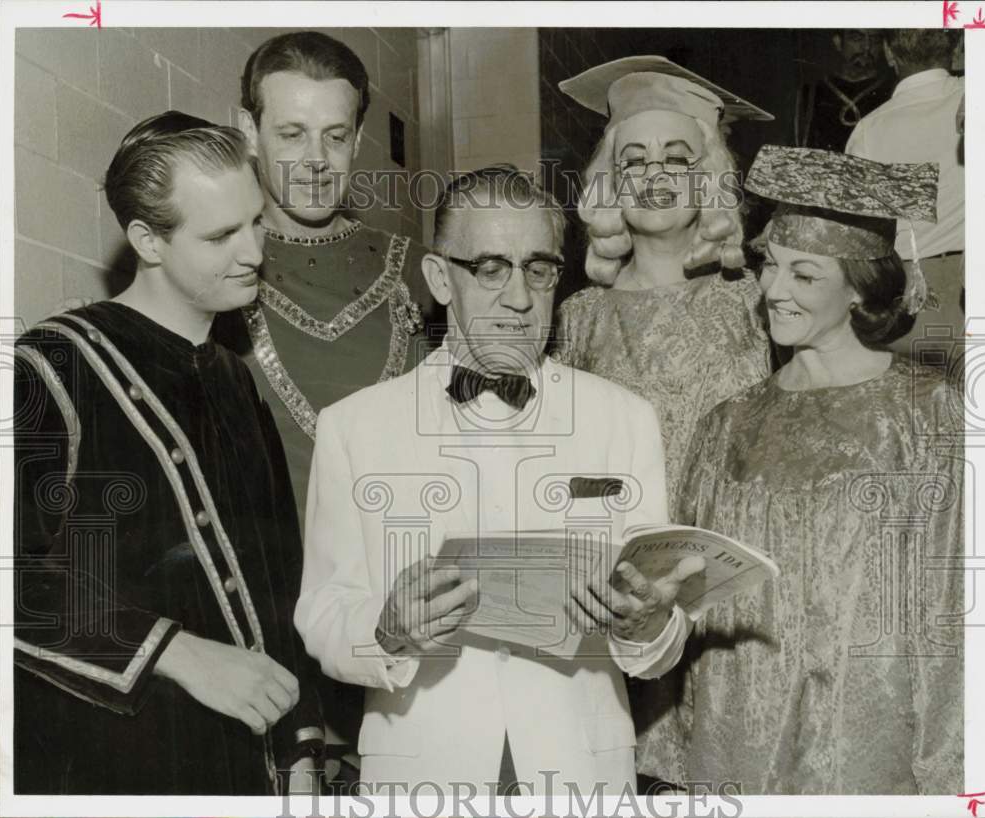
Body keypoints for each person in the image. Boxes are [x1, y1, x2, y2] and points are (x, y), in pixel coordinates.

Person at [294, 166, 705, 794]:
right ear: (439, 279)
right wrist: (387, 629)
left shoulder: (623, 418)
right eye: (489, 268)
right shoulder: (353, 428)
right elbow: (323, 613)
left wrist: (646, 622)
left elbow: (658, 642)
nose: (518, 296)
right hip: (421, 774)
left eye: (538, 269)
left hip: (583, 770)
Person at [13, 112, 324, 794]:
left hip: (250, 771)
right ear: (148, 241)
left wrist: (300, 749)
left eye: (256, 223)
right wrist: (174, 651)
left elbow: (280, 580)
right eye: (219, 235)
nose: (252, 253)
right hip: (113, 764)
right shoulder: (55, 362)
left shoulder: (236, 378)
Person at [640, 146, 963, 794]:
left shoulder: (928, 416)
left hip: (865, 741)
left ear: (858, 290)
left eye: (805, 276)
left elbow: (949, 612)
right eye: (770, 264)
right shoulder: (729, 421)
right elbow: (692, 599)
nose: (773, 290)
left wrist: (947, 774)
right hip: (736, 739)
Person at [216, 30, 436, 778]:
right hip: (257, 624)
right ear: (247, 130)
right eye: (291, 133)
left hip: (388, 622)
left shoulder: (411, 273)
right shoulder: (213, 275)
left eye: (336, 136)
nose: (315, 160)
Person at [555, 56, 774, 507]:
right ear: (612, 184)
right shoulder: (580, 317)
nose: (655, 175)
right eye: (634, 163)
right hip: (618, 551)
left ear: (707, 177)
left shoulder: (758, 300)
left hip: (733, 548)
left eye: (676, 158)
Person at [846, 29, 964, 365]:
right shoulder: (976, 95)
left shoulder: (868, 129)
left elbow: (859, 233)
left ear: (888, 54)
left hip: (906, 302)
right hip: (972, 289)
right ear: (956, 49)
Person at [795, 30, 895, 152]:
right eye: (857, 39)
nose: (867, 47)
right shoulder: (812, 92)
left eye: (875, 40)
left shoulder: (894, 90)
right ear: (838, 42)